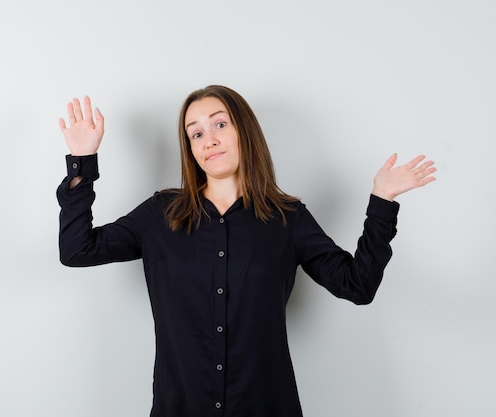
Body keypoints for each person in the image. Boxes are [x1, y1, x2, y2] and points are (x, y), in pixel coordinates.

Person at [56, 85, 436, 416]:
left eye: (220, 124)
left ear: (244, 131)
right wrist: (82, 163)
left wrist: (382, 201)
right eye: (196, 133)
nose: (210, 140)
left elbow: (358, 285)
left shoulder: (288, 218)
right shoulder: (160, 215)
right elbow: (77, 250)